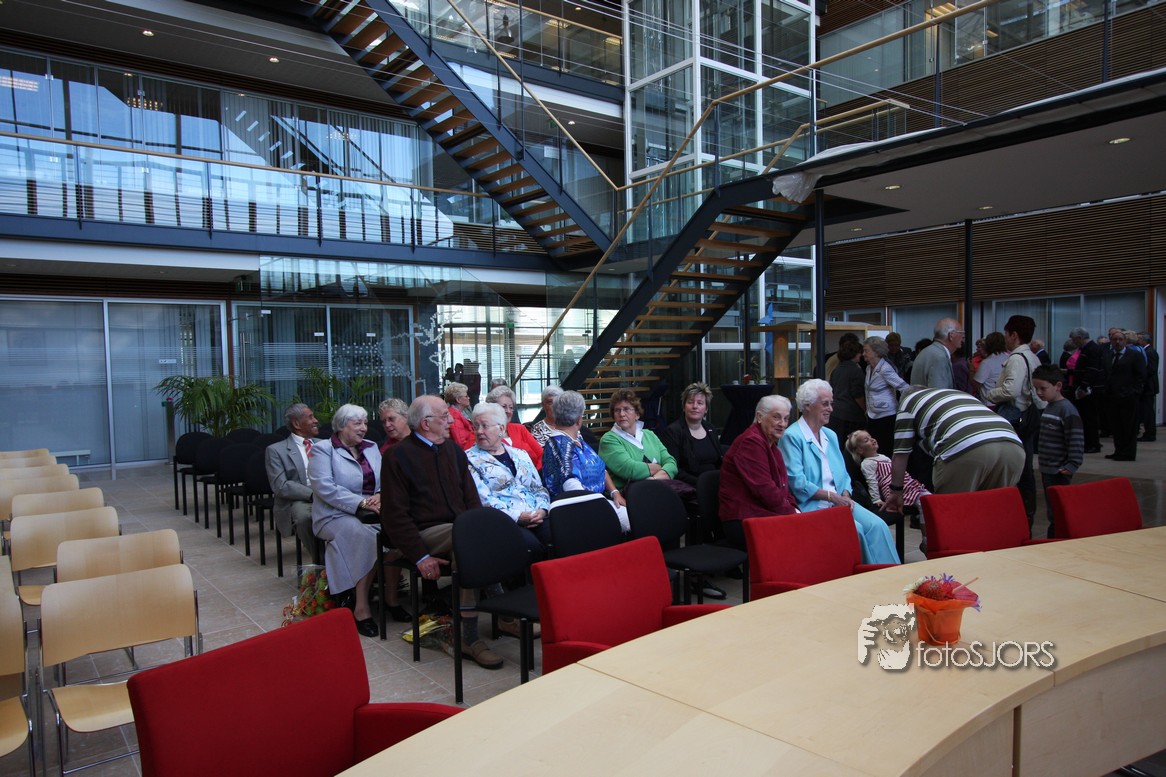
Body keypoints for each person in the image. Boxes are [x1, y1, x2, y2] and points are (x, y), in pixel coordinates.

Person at [380, 396, 505, 670]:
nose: (451, 421)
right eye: (444, 417)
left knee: (480, 536)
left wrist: (480, 525)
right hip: (422, 532)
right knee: (467, 539)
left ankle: (489, 623)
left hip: (459, 530)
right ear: (426, 424)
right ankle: (477, 633)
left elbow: (471, 498)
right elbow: (395, 516)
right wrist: (420, 556)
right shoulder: (397, 456)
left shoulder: (452, 450)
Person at [779, 380, 899, 565]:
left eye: (831, 403)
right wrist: (833, 497)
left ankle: (892, 574)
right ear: (808, 405)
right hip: (813, 505)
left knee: (878, 526)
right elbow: (797, 483)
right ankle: (870, 576)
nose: (831, 409)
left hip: (840, 502)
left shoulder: (830, 435)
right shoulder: (792, 437)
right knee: (856, 530)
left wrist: (845, 494)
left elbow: (843, 474)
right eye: (825, 403)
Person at [882, 387, 1024, 514]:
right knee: (993, 514)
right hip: (1013, 445)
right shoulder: (958, 394)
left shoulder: (908, 404)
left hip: (967, 447)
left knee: (953, 515)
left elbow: (900, 455)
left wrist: (896, 491)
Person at [309, 404, 383, 638]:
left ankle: (379, 597)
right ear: (341, 426)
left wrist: (379, 495)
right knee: (366, 537)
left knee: (391, 533)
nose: (364, 428)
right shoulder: (323, 450)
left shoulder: (371, 447)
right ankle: (361, 607)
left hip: (371, 511)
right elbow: (325, 488)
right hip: (333, 514)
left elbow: (383, 479)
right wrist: (361, 502)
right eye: (357, 423)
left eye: (365, 423)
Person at [465, 402, 552, 559]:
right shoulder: (468, 460)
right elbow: (484, 500)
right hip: (503, 521)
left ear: (501, 429)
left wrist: (542, 510)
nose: (479, 431)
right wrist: (518, 516)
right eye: (476, 426)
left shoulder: (520, 454)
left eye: (484, 426)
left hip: (536, 514)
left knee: (560, 537)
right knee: (532, 548)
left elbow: (538, 488)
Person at [983, 315, 1046, 525]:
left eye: (1006, 334)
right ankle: (1025, 511)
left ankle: (1020, 512)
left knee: (1017, 466)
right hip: (1028, 414)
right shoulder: (1032, 357)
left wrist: (991, 394)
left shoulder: (1017, 359)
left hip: (1017, 414)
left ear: (1014, 335)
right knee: (1024, 463)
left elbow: (1011, 390)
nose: (1005, 338)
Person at [718, 395, 799, 550]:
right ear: (759, 417)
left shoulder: (772, 446)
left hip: (763, 512)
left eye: (786, 419)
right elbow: (764, 489)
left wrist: (795, 509)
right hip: (743, 518)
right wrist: (793, 514)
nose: (782, 424)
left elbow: (783, 487)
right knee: (803, 535)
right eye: (776, 417)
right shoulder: (750, 442)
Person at [540, 390, 629, 530]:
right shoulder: (557, 444)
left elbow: (600, 468)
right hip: (578, 511)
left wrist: (614, 493)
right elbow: (572, 487)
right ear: (578, 420)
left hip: (597, 502)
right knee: (635, 521)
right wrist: (604, 505)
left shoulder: (577, 440)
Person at [660, 382, 724, 544]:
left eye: (700, 403)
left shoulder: (710, 429)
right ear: (684, 407)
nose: (695, 406)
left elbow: (719, 461)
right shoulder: (674, 431)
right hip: (690, 487)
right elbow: (674, 469)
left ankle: (723, 546)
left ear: (706, 409)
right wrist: (703, 484)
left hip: (713, 484)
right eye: (690, 402)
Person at [1032, 365, 1084, 538]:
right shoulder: (1050, 406)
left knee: (1058, 510)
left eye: (1043, 388)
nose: (1039, 393)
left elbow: (1075, 439)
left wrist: (1072, 464)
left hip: (1058, 470)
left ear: (1058, 386)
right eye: (1036, 389)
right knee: (1052, 509)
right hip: (1048, 468)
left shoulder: (1066, 410)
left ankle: (1058, 538)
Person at [266, 403, 321, 563]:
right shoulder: (276, 450)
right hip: (300, 499)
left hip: (328, 493)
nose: (316, 420)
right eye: (310, 417)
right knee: (304, 518)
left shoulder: (324, 444)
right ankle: (322, 563)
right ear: (297, 423)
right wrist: (312, 494)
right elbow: (281, 486)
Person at [598, 389, 679, 492]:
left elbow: (671, 463)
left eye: (626, 409)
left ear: (637, 414)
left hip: (657, 490)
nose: (621, 414)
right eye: (617, 410)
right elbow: (630, 469)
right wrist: (660, 468)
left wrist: (653, 479)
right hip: (627, 496)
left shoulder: (650, 435)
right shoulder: (608, 440)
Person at [844, 429, 929, 510]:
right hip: (894, 490)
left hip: (907, 484)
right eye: (866, 440)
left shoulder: (883, 457)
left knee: (929, 499)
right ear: (860, 450)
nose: (872, 440)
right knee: (924, 503)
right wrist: (876, 500)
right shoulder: (867, 463)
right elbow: (872, 482)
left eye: (871, 437)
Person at [1103, 329, 1146, 461]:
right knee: (1116, 426)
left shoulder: (1134, 355)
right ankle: (1119, 450)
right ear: (1111, 341)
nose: (1117, 342)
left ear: (1125, 341)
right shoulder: (1108, 355)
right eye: (1115, 339)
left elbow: (1141, 376)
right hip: (1112, 397)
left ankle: (1128, 453)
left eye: (1120, 339)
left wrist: (1133, 392)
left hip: (1128, 397)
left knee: (1129, 426)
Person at [862, 336, 909, 456]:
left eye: (866, 351)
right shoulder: (868, 368)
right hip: (872, 416)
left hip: (886, 417)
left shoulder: (885, 369)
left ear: (877, 352)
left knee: (885, 450)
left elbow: (905, 388)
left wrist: (904, 408)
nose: (863, 354)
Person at [485, 384, 543, 469]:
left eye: (511, 407)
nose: (508, 411)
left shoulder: (520, 429)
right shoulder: (483, 433)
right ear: (491, 408)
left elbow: (542, 454)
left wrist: (536, 473)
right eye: (504, 407)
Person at [1067, 327, 1105, 453]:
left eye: (1074, 340)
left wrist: (1083, 386)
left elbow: (1092, 370)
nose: (1073, 343)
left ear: (1080, 338)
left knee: (1089, 417)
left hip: (1089, 390)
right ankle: (1089, 442)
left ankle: (1092, 444)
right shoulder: (1086, 349)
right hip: (1085, 387)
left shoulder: (1092, 349)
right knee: (1086, 417)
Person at [828, 338, 866, 442]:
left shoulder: (837, 370)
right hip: (851, 415)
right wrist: (865, 410)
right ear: (854, 354)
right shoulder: (856, 371)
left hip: (836, 413)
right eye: (859, 352)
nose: (861, 355)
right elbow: (857, 394)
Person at [910, 318, 963, 389]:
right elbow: (940, 393)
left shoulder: (928, 351)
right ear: (951, 335)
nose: (963, 337)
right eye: (961, 333)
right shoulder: (939, 357)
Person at [972, 331, 1008, 406]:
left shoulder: (987, 363)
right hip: (1005, 402)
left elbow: (976, 384)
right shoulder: (1009, 358)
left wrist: (971, 369)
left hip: (989, 403)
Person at [1137, 331, 1159, 442]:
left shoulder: (1149, 352)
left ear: (1144, 340)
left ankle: (1150, 433)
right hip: (1148, 386)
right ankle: (1149, 432)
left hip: (1148, 387)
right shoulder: (1147, 351)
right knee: (1147, 410)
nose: (1137, 341)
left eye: (1139, 339)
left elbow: (1151, 369)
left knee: (1148, 411)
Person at [443, 381, 474, 449]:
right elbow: (461, 444)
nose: (469, 398)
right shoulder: (454, 417)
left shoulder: (462, 412)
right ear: (458, 400)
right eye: (466, 396)